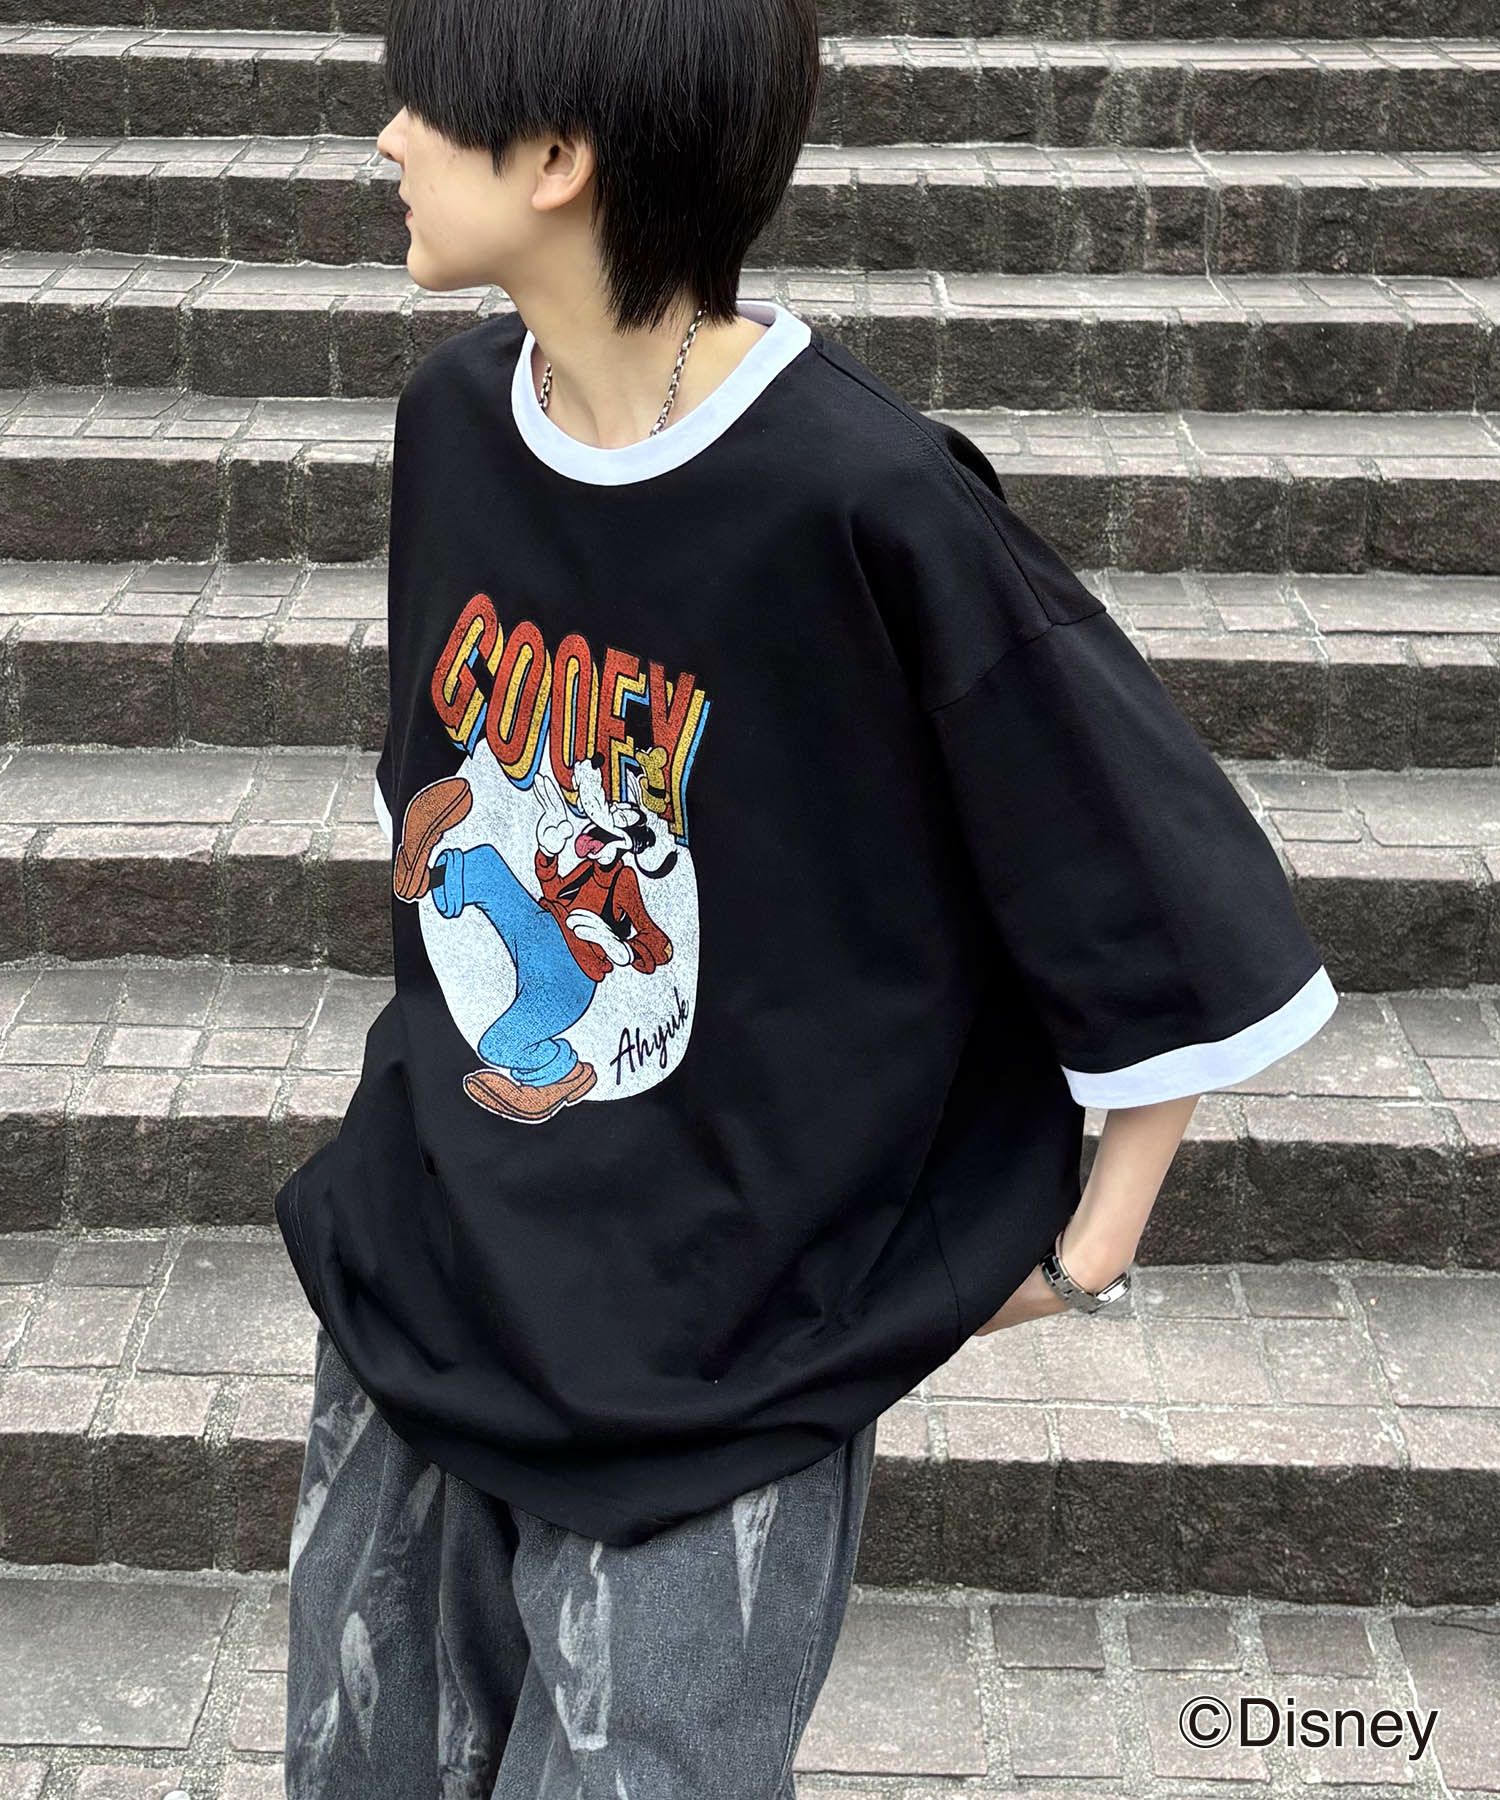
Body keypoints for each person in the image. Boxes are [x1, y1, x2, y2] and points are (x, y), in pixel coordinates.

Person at [273, 0, 1341, 1793]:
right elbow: (444, 782)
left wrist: (1089, 1247)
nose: (387, 138)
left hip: (725, 1356)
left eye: (423, 106)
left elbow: (1140, 866)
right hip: (428, 1268)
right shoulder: (451, 421)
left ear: (558, 161)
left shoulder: (864, 499)